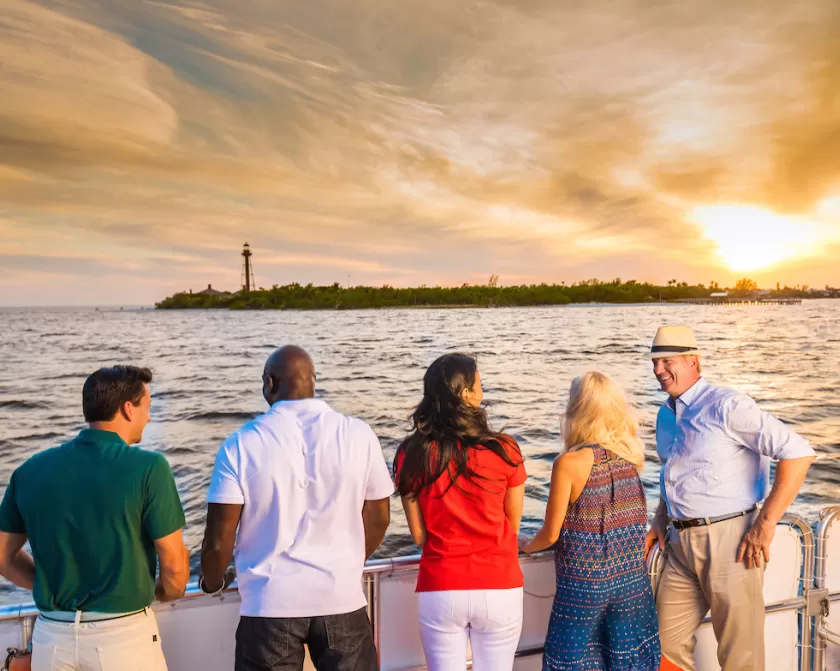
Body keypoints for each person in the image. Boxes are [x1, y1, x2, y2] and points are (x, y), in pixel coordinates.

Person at [200, 345, 393, 671]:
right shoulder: (358, 434)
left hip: (269, 605)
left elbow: (219, 540)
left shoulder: (241, 443)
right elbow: (379, 518)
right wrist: (346, 566)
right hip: (341, 598)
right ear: (313, 382)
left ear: (270, 384)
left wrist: (213, 582)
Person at [644, 325, 816, 671]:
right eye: (654, 362)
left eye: (667, 361)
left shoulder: (727, 405)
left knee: (740, 657)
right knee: (661, 647)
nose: (659, 370)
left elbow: (798, 452)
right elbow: (672, 472)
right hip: (678, 545)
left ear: (693, 360)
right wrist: (661, 519)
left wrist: (765, 524)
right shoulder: (666, 413)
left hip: (731, 543)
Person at [0, 365, 189, 671]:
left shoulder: (29, 470)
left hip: (51, 640)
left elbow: (3, 556)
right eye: (147, 407)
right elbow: (174, 566)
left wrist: (54, 586)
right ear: (128, 409)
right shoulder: (149, 467)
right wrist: (167, 592)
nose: (149, 417)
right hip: (123, 639)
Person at [519, 371, 660, 671]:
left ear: (576, 411)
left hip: (584, 584)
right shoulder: (631, 458)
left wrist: (526, 546)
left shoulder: (569, 463)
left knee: (570, 661)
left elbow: (550, 533)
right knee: (625, 660)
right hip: (631, 582)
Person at [394, 353, 526, 671]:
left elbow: (419, 536)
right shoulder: (505, 449)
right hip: (499, 586)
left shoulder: (410, 453)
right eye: (479, 383)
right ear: (465, 393)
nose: (483, 390)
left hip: (441, 586)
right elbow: (513, 523)